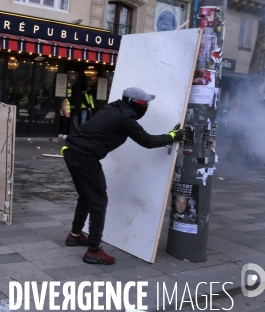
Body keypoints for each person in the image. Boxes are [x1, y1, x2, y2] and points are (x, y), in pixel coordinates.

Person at [61, 87, 183, 265]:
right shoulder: (125, 117)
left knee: (86, 197)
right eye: (145, 103)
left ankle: (75, 235)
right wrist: (172, 136)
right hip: (84, 156)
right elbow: (147, 141)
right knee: (98, 201)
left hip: (71, 151)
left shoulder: (112, 108)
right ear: (136, 103)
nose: (146, 106)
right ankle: (93, 251)